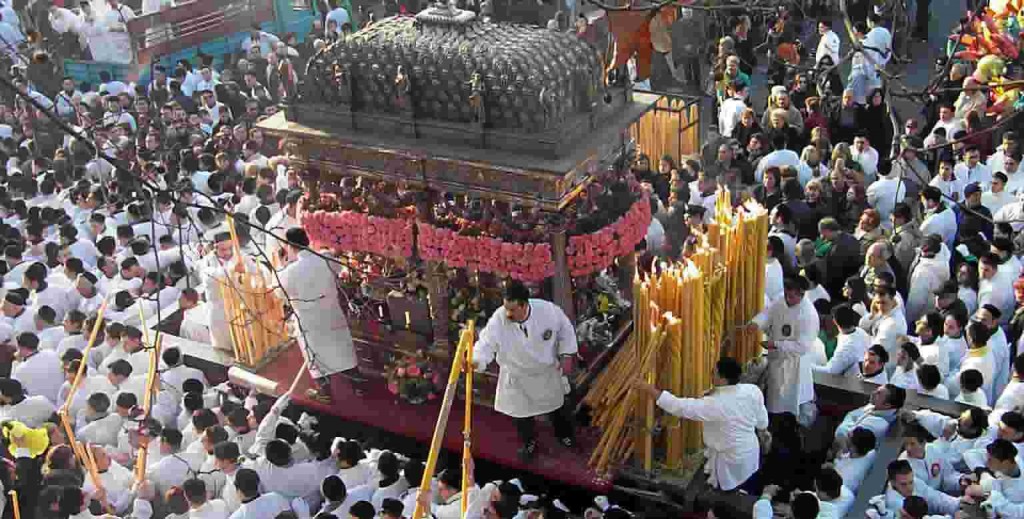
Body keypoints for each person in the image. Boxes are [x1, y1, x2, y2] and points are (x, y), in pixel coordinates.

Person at [473, 281, 578, 461]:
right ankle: (528, 443)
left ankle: (564, 435)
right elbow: (486, 342)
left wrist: (567, 354)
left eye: (512, 309)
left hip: (545, 371)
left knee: (557, 408)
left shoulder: (548, 311)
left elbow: (566, 331)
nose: (508, 313)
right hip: (516, 374)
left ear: (524, 304)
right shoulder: (499, 319)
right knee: (521, 415)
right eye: (506, 308)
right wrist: (477, 360)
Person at [635, 357, 768, 491]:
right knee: (747, 484)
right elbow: (762, 421)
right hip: (750, 453)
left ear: (722, 379)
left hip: (730, 461)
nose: (711, 375)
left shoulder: (715, 404)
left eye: (713, 373)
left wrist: (648, 388)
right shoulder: (752, 390)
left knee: (728, 492)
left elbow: (678, 406)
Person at [276, 227, 358, 402]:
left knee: (316, 354)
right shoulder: (325, 257)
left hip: (309, 319)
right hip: (331, 312)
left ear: (289, 246)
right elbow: (338, 270)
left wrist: (282, 265)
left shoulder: (289, 271)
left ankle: (325, 391)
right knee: (342, 348)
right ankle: (358, 384)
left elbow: (280, 294)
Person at [746, 275, 819, 416]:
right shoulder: (781, 299)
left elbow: (802, 347)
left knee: (789, 408)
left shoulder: (809, 315)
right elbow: (768, 313)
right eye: (786, 294)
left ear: (802, 295)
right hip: (777, 361)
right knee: (774, 402)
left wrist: (776, 344)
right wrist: (756, 323)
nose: (787, 299)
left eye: (792, 296)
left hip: (794, 366)